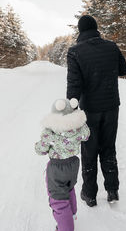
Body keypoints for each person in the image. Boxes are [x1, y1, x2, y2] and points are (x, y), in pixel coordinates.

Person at [66, 15, 126, 207]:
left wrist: (70, 110)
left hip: (89, 110)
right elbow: (124, 70)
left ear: (80, 31)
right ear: (95, 28)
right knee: (108, 148)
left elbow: (74, 85)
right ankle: (112, 190)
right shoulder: (111, 47)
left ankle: (90, 194)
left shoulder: (75, 52)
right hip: (111, 107)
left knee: (89, 150)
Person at [35, 98, 90, 231]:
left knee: (58, 200)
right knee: (69, 189)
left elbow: (41, 150)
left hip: (57, 168)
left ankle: (66, 227)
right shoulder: (78, 128)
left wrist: (38, 146)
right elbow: (87, 135)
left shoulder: (51, 131)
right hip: (73, 165)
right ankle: (72, 214)